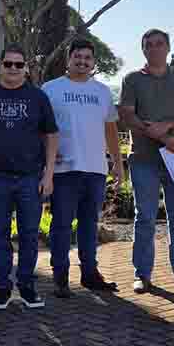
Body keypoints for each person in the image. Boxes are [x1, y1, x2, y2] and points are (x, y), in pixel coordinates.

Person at [0, 44, 58, 310]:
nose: (13, 69)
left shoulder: (38, 97)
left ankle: (27, 286)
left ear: (26, 68)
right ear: (1, 65)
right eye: (8, 64)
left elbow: (52, 135)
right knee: (0, 235)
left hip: (31, 178)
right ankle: (3, 288)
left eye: (19, 65)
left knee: (30, 234)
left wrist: (49, 174)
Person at [119, 28, 174, 295]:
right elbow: (126, 116)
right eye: (149, 44)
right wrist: (158, 135)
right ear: (143, 49)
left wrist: (167, 129)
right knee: (144, 216)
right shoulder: (132, 79)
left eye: (159, 44)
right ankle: (142, 275)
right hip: (143, 158)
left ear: (167, 48)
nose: (154, 48)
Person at [42, 38, 125, 298]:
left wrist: (118, 164)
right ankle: (60, 276)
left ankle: (90, 274)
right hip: (64, 169)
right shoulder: (51, 89)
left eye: (88, 58)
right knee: (62, 224)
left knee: (90, 224)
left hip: (95, 169)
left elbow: (111, 130)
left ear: (94, 63)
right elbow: (40, 128)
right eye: (77, 56)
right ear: (68, 59)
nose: (82, 61)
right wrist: (44, 160)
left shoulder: (102, 92)